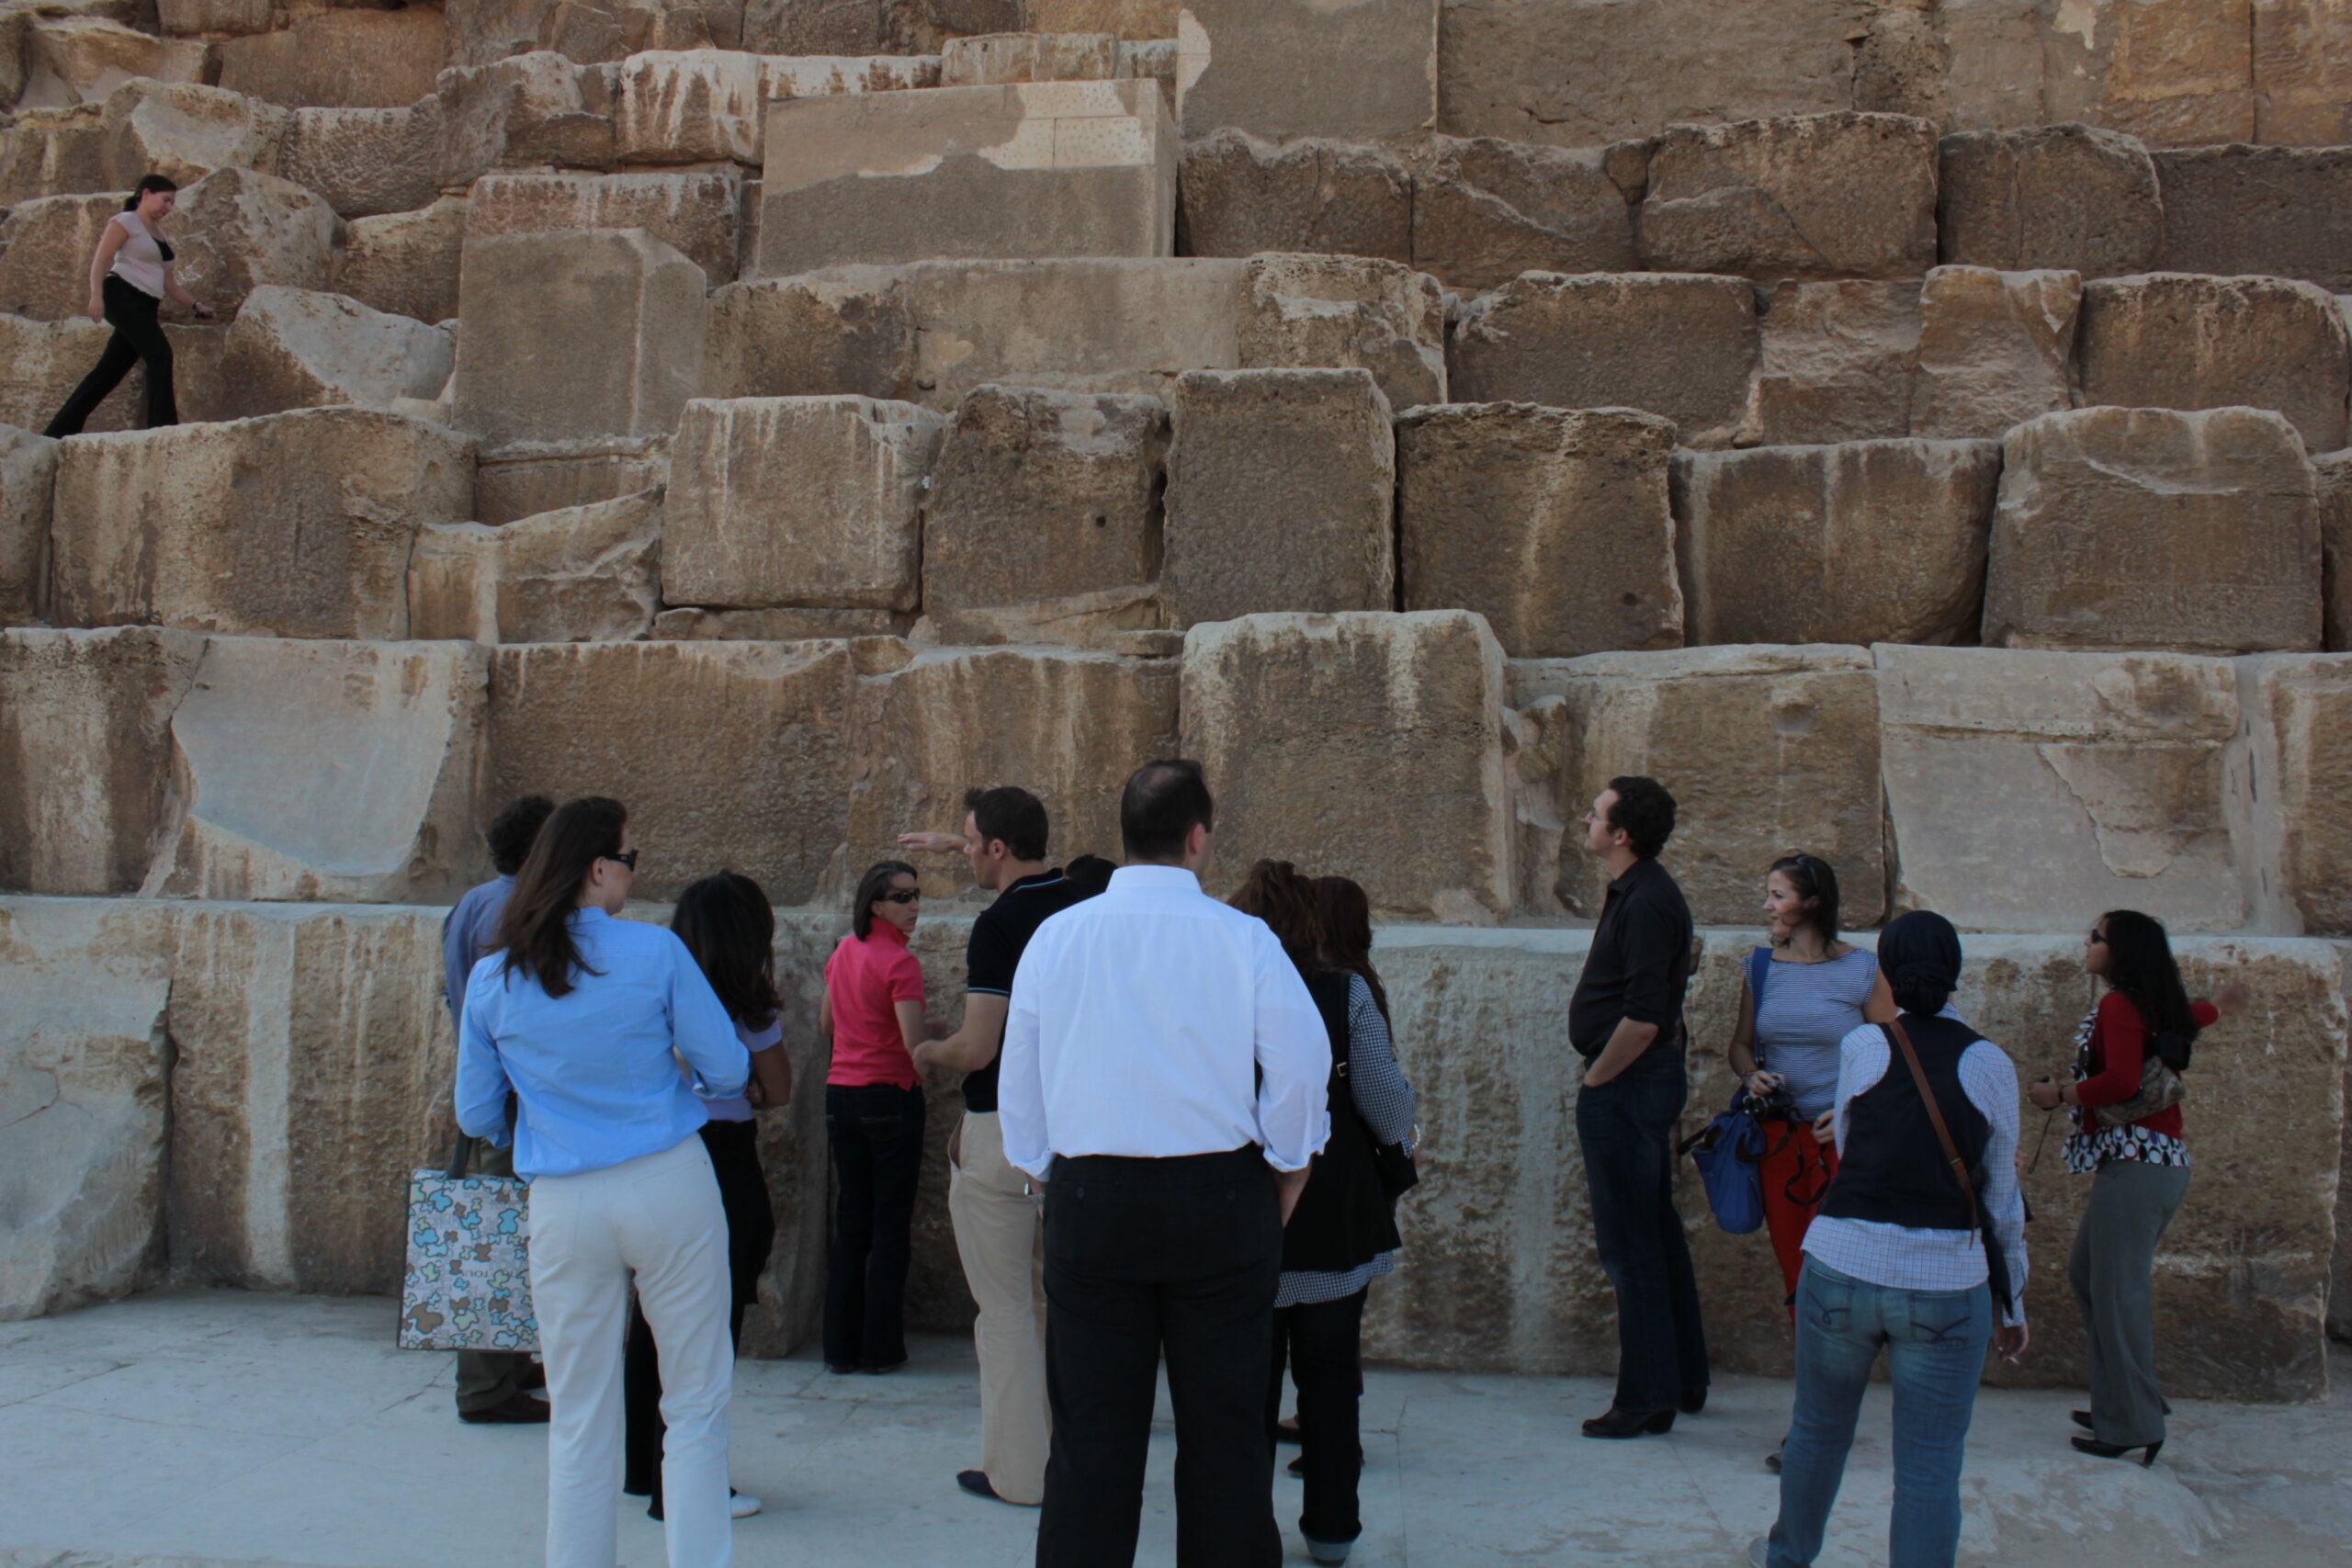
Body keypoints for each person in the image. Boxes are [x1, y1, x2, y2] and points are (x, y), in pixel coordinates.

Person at [999, 760, 1330, 1568]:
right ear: (1197, 837)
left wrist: (1045, 1171)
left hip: (1091, 1196)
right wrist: (1289, 1165)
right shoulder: (1244, 939)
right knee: (1227, 1436)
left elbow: (1022, 1078)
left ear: (1125, 835)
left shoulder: (1057, 937)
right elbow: (1301, 1064)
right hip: (1220, 1198)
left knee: (1089, 1438)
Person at [454, 797, 745, 1568]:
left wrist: (545, 1117)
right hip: (667, 1179)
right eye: (630, 859)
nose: (634, 873)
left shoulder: (495, 974)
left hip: (563, 1198)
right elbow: (728, 1066)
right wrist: (679, 1080)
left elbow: (476, 1111)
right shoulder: (654, 951)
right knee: (695, 1400)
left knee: (579, 1414)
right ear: (596, 868)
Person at [1753, 911, 2030, 1568]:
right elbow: (2000, 1197)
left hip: (1842, 1263)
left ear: (1885, 971)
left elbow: (1851, 1148)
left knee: (1817, 1434)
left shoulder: (1864, 1046)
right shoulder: (1991, 1063)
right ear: (1955, 969)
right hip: (1943, 1281)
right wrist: (2012, 1301)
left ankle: (1787, 1559)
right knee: (1930, 1464)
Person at [899, 787, 1101, 1507]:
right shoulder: (1083, 902)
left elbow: (979, 1047)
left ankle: (1018, 1474)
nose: (965, 854)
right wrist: (957, 840)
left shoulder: (1001, 924)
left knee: (1006, 1309)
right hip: (1080, 1134)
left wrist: (928, 1050)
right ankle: (1071, 1458)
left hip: (1008, 1134)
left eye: (970, 842)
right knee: (1061, 1306)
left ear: (996, 848)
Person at [1237, 865, 1415, 1568]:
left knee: (1242, 1393)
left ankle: (1243, 1531)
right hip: (1332, 1218)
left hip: (1244, 1222)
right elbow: (1387, 1104)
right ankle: (1332, 1530)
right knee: (1332, 1383)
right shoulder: (1344, 993)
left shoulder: (1223, 991)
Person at [2027, 910, 2245, 1466]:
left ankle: (2132, 1424)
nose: (2087, 942)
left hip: (2139, 1163)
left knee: (2117, 1292)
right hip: (2152, 1165)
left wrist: (2060, 1096)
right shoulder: (2150, 1003)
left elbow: (2122, 1081)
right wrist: (2220, 1005)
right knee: (2090, 1276)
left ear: (2119, 950)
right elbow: (2193, 1016)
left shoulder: (2120, 1005)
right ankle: (2124, 1400)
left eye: (2096, 937)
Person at [624, 872, 793, 1523]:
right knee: (708, 1327)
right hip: (722, 1155)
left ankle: (642, 1465)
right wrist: (740, 1087)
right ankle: (686, 1486)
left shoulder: (653, 992)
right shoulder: (748, 1005)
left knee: (651, 1319)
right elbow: (777, 1090)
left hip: (656, 1155)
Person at [1723, 853, 1896, 1471]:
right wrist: (1751, 1073)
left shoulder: (1862, 968)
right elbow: (1740, 1043)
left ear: (1812, 902)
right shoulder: (1760, 966)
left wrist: (1852, 1109)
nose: (1767, 905)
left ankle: (1827, 1419)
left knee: (1839, 1281)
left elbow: (1893, 1054)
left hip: (1842, 1146)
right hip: (1780, 1143)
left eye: (1778, 895)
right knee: (1799, 1280)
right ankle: (1813, 1422)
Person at [1567, 775, 1708, 1437]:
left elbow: (1646, 1017)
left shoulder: (1648, 900)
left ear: (1620, 833)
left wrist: (1598, 1080)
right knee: (1653, 1231)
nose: (1586, 820)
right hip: (1632, 1081)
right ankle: (1681, 1376)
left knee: (1631, 1245)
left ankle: (1646, 1396)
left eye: (1595, 814)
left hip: (1628, 1083)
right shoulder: (1639, 890)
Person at [440, 794, 557, 1427]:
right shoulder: (512, 912)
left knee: (502, 1229)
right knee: (498, 1236)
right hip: (508, 1099)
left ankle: (507, 1362)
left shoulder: (473, 901)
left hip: (490, 1090)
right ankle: (485, 1386)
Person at [820, 859, 934, 1374]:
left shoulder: (844, 951)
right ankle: (879, 1349)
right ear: (877, 905)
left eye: (916, 895)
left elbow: (827, 1023)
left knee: (852, 1221)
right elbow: (915, 1047)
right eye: (902, 897)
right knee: (889, 1223)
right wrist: (938, 1036)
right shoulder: (902, 964)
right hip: (889, 1096)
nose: (914, 906)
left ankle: (838, 1346)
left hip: (841, 1094)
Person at [44, 175, 213, 438]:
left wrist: (196, 304)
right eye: (165, 200)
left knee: (108, 372)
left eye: (172, 203)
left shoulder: (160, 234)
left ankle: (58, 431)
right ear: (145, 194)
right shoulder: (126, 221)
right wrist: (96, 296)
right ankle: (162, 428)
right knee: (160, 354)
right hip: (122, 295)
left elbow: (170, 284)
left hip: (146, 304)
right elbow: (101, 259)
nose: (168, 207)